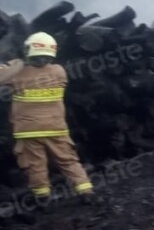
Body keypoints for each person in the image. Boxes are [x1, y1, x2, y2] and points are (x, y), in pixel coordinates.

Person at [0, 32, 95, 207]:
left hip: (28, 130)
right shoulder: (59, 71)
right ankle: (85, 190)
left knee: (35, 164)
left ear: (28, 50)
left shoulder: (18, 73)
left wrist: (15, 64)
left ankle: (42, 197)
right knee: (68, 160)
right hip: (56, 128)